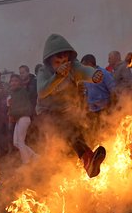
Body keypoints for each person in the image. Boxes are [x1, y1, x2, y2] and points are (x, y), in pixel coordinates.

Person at [37, 34, 106, 177]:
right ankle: (75, 165)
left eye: (65, 59)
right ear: (50, 61)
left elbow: (83, 70)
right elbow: (42, 91)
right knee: (67, 134)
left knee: (77, 133)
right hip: (49, 112)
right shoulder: (44, 72)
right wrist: (57, 76)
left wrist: (93, 75)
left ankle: (88, 161)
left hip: (68, 111)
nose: (63, 63)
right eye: (58, 61)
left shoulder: (73, 66)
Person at [7, 74, 37, 164]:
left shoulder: (22, 92)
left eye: (16, 81)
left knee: (20, 142)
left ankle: (26, 162)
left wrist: (11, 113)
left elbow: (26, 108)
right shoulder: (12, 94)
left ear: (19, 83)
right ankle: (35, 157)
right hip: (18, 119)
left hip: (24, 118)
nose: (13, 83)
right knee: (16, 142)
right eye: (12, 81)